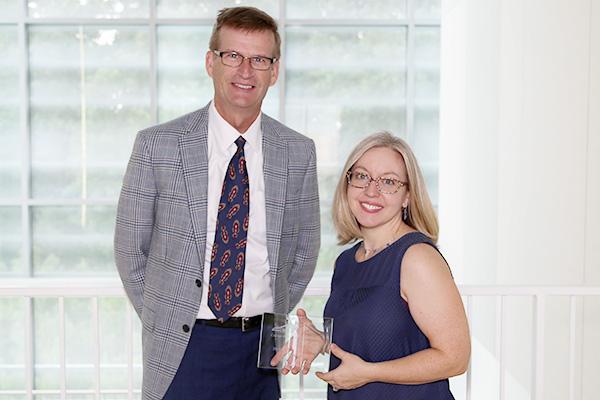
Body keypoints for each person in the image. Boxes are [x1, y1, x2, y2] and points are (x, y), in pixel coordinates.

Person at [114, 7, 320, 400]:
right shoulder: (158, 145)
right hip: (183, 348)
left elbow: (303, 252)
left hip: (260, 352)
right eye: (233, 56)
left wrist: (268, 319)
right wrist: (168, 317)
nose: (246, 71)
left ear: (274, 72)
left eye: (260, 59)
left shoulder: (298, 152)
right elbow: (130, 251)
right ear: (211, 62)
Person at [278, 132, 470, 399]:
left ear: (407, 196)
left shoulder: (417, 258)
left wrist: (370, 372)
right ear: (347, 184)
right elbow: (375, 339)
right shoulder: (346, 262)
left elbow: (455, 358)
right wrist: (323, 342)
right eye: (362, 176)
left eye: (389, 182)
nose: (372, 190)